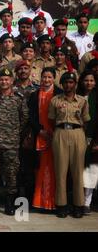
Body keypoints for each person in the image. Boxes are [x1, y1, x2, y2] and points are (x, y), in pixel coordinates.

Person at [0, 68, 29, 216]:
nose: (4, 81)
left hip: (11, 144)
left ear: (12, 81)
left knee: (11, 174)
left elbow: (24, 119)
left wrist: (15, 134)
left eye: (7, 79)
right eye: (1, 79)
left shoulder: (18, 98)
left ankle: (10, 204)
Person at [48, 68, 90, 218]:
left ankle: (78, 205)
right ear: (62, 84)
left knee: (78, 172)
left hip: (78, 133)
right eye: (65, 82)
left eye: (71, 82)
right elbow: (51, 120)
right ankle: (62, 205)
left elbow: (86, 120)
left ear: (75, 84)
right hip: (60, 133)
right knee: (61, 171)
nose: (68, 85)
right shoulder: (55, 100)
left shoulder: (82, 101)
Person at [28, 68, 62, 212]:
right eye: (44, 77)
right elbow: (31, 116)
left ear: (54, 78)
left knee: (56, 170)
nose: (46, 80)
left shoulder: (60, 94)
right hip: (40, 136)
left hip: (58, 135)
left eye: (49, 77)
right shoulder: (35, 95)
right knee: (41, 169)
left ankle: (56, 203)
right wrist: (40, 130)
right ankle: (40, 202)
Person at [77, 70, 97, 215]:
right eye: (86, 80)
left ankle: (87, 202)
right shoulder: (76, 96)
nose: (88, 83)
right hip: (76, 136)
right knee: (78, 169)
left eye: (91, 80)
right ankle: (77, 200)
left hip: (93, 137)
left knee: (91, 169)